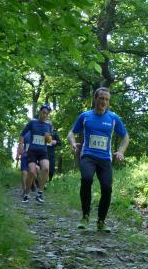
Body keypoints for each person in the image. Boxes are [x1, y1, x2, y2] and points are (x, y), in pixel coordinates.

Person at [67, 87, 129, 232]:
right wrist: (73, 143)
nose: (104, 102)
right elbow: (71, 132)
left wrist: (121, 151)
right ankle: (85, 216)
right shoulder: (85, 116)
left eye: (107, 99)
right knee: (87, 178)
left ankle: (101, 221)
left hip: (105, 159)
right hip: (88, 156)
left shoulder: (113, 118)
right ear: (95, 99)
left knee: (107, 188)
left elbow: (125, 136)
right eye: (101, 98)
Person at [18, 105, 54, 203]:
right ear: (40, 112)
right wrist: (20, 146)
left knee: (46, 169)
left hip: (43, 151)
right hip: (32, 151)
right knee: (32, 172)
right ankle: (26, 194)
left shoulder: (49, 125)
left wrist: (48, 138)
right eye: (43, 113)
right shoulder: (32, 123)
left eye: (47, 114)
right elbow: (22, 134)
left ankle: (39, 193)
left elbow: (49, 140)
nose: (44, 115)